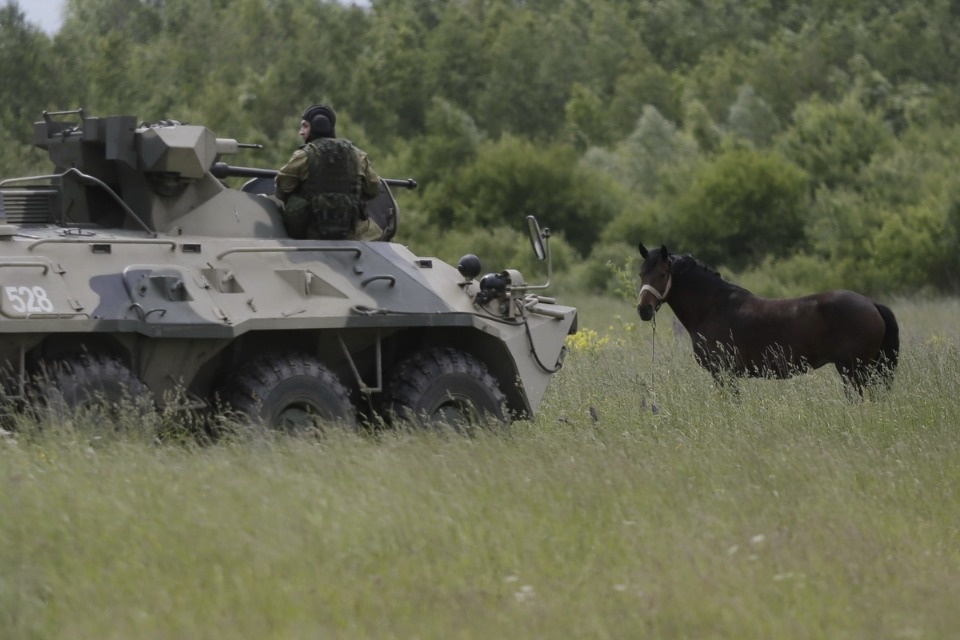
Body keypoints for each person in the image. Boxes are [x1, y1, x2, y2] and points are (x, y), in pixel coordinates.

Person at [274, 104, 383, 240]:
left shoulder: (304, 156)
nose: (301, 132)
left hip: (310, 234)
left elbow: (282, 188)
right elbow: (374, 189)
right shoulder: (357, 156)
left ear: (318, 125)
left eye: (305, 126)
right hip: (351, 235)